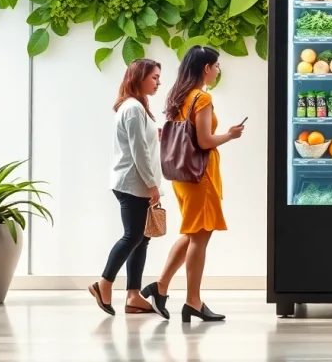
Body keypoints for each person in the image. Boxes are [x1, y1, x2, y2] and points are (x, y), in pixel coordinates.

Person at [146, 45, 244, 323]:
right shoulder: (202, 97)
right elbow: (204, 141)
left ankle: (160, 287)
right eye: (217, 66)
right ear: (206, 68)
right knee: (200, 237)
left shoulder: (178, 96)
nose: (218, 71)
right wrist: (230, 135)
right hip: (200, 176)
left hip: (182, 174)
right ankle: (192, 302)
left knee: (192, 233)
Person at [89, 59, 165, 318]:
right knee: (133, 236)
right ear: (139, 77)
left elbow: (140, 142)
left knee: (142, 238)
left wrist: (154, 135)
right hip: (133, 183)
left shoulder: (136, 107)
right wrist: (152, 185)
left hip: (136, 183)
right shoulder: (133, 108)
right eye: (154, 77)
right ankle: (104, 284)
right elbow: (138, 151)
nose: (158, 82)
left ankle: (133, 296)